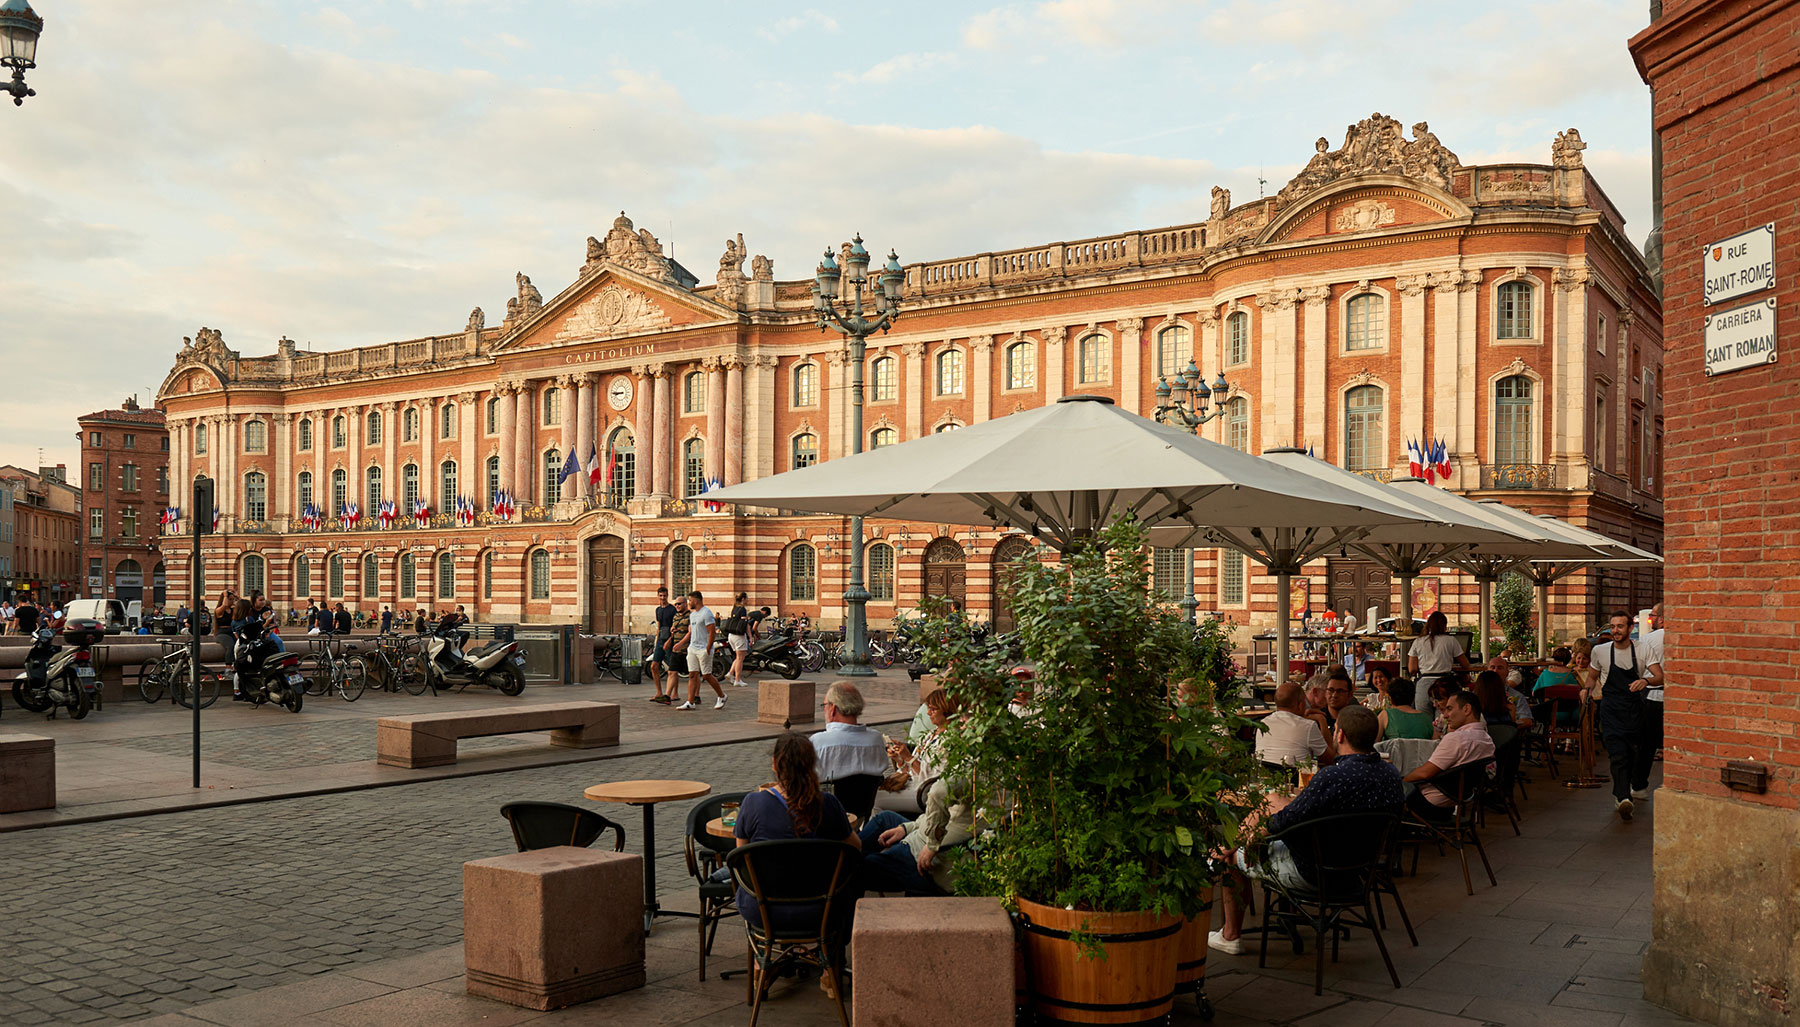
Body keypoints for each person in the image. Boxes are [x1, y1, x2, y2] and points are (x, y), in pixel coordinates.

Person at [1211, 706, 1403, 954]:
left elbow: (1286, 821)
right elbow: (1295, 814)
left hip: (1316, 874)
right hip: (1361, 872)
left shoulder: (1333, 777)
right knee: (1274, 804)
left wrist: (1253, 836)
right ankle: (1235, 848)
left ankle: (1230, 935)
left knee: (1232, 858)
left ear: (1340, 734)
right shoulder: (1391, 775)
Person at [732, 732, 859, 933]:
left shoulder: (753, 803)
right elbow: (855, 849)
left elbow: (741, 857)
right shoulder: (829, 804)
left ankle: (761, 958)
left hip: (764, 909)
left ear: (774, 764)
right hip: (822, 907)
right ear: (811, 764)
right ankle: (825, 954)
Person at [1590, 610, 1663, 820]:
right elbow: (1592, 676)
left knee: (1631, 752)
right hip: (1610, 708)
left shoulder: (1642, 649)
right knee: (1617, 751)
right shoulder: (1601, 651)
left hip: (1634, 709)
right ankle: (1623, 797)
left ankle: (1622, 792)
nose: (1615, 631)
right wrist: (1586, 689)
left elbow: (1659, 675)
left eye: (1620, 627)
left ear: (1630, 629)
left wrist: (1646, 681)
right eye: (1612, 627)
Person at [859, 775, 975, 896]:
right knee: (885, 818)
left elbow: (938, 793)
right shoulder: (970, 773)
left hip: (931, 855)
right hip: (926, 834)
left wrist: (932, 844)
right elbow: (938, 812)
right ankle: (848, 854)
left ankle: (845, 862)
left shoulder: (974, 770)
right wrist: (906, 828)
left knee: (857, 869)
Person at [1402, 690, 1496, 820]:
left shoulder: (1456, 738)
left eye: (1450, 709)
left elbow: (1425, 773)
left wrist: (1401, 781)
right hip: (1457, 800)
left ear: (1467, 709)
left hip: (1430, 804)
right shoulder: (1486, 739)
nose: (1445, 715)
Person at [879, 687, 959, 814]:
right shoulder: (931, 734)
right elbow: (910, 770)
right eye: (929, 708)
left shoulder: (951, 739)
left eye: (933, 709)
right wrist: (899, 759)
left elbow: (932, 778)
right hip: (912, 785)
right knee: (874, 794)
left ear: (947, 711)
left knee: (876, 800)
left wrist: (909, 758)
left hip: (925, 793)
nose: (928, 713)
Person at [811, 682, 892, 783]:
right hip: (866, 798)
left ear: (833, 708)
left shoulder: (818, 742)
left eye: (825, 705)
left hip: (826, 798)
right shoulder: (876, 740)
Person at [1254, 681, 1333, 768]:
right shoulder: (1308, 726)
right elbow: (1330, 759)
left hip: (1264, 777)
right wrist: (1322, 721)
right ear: (1301, 704)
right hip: (1296, 779)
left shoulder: (1263, 724)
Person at [1407, 610, 1470, 710]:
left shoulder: (1418, 642)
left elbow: (1412, 669)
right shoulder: (1451, 640)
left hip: (1423, 685)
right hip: (1444, 684)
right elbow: (1465, 664)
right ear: (1444, 625)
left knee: (1424, 720)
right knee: (1443, 719)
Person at [679, 590, 728, 710]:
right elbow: (692, 631)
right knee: (692, 674)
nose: (689, 602)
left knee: (706, 676)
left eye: (690, 600)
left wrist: (708, 647)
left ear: (696, 600)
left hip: (703, 649)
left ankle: (721, 696)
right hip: (693, 648)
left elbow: (712, 631)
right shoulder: (693, 614)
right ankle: (690, 702)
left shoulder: (706, 613)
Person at [1640, 602, 1666, 788]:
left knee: (1646, 744)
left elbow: (1638, 667)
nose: (1651, 619)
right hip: (1677, 698)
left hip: (1650, 696)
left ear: (1663, 618)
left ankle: (1639, 784)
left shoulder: (1649, 640)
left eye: (1654, 615)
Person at [1378, 675, 1433, 740]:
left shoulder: (1385, 715)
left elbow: (1372, 744)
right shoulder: (1427, 719)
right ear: (1413, 698)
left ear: (1390, 699)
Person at [659, 595, 690, 703]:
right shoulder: (676, 616)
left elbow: (691, 633)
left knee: (693, 674)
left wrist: (681, 643)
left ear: (685, 604)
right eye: (676, 604)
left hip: (687, 650)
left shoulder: (691, 616)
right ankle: (667, 696)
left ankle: (696, 696)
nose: (677, 606)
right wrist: (669, 640)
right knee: (672, 672)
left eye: (679, 603)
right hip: (676, 649)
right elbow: (674, 632)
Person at [648, 586, 674, 699]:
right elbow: (659, 626)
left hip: (669, 639)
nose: (663, 598)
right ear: (658, 596)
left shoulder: (672, 609)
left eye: (664, 595)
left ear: (667, 596)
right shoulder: (658, 610)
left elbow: (675, 627)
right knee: (654, 666)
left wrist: (670, 640)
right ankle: (659, 692)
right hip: (660, 640)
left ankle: (674, 693)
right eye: (661, 596)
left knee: (672, 668)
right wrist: (656, 640)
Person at [724, 591, 752, 687]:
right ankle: (737, 679)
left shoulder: (734, 608)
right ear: (743, 599)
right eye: (747, 598)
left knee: (738, 657)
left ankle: (730, 673)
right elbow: (745, 625)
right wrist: (750, 637)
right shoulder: (742, 609)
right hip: (739, 636)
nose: (748, 600)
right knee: (740, 658)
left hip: (731, 635)